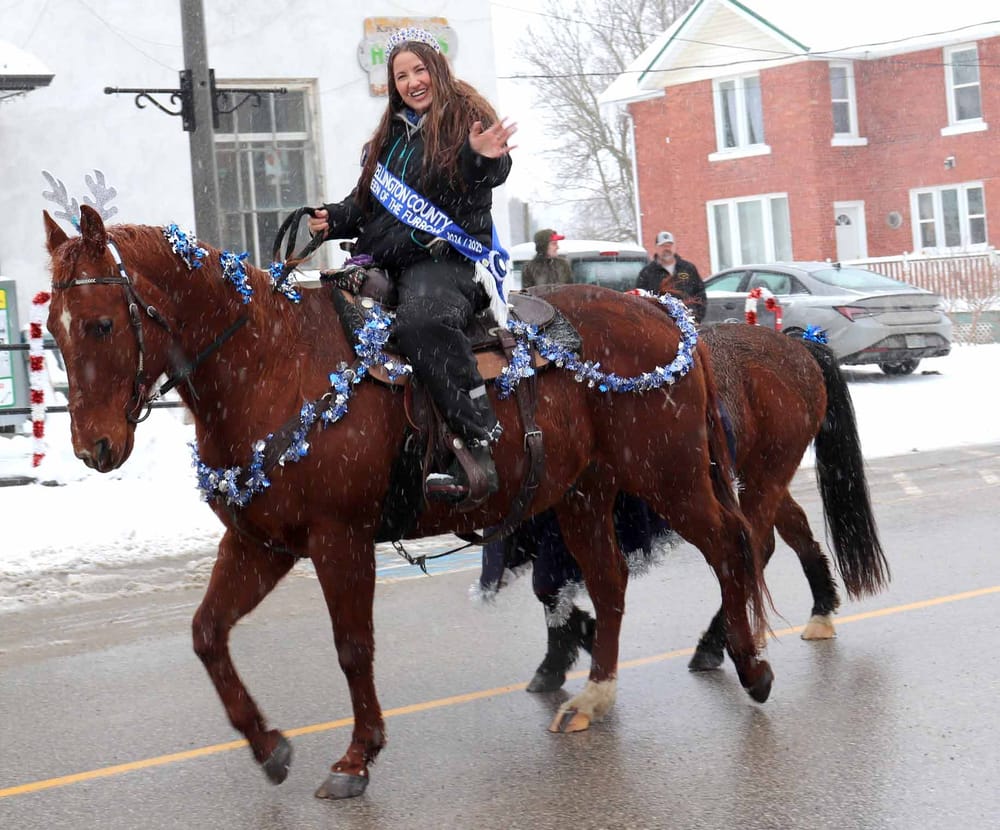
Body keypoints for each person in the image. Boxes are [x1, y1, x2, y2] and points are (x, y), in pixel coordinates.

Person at [306, 27, 516, 504]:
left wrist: (479, 160)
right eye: (401, 75)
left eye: (419, 69)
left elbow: (482, 173)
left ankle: (476, 440)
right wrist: (331, 219)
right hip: (385, 259)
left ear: (437, 68)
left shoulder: (468, 119)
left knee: (423, 322)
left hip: (445, 261)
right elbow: (365, 205)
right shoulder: (390, 135)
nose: (412, 82)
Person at [635, 231, 707, 323]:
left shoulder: (688, 268)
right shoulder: (647, 273)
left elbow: (700, 293)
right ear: (656, 248)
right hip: (660, 324)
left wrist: (697, 317)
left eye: (669, 245)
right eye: (663, 246)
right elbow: (640, 299)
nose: (667, 249)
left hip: (688, 323)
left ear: (674, 247)